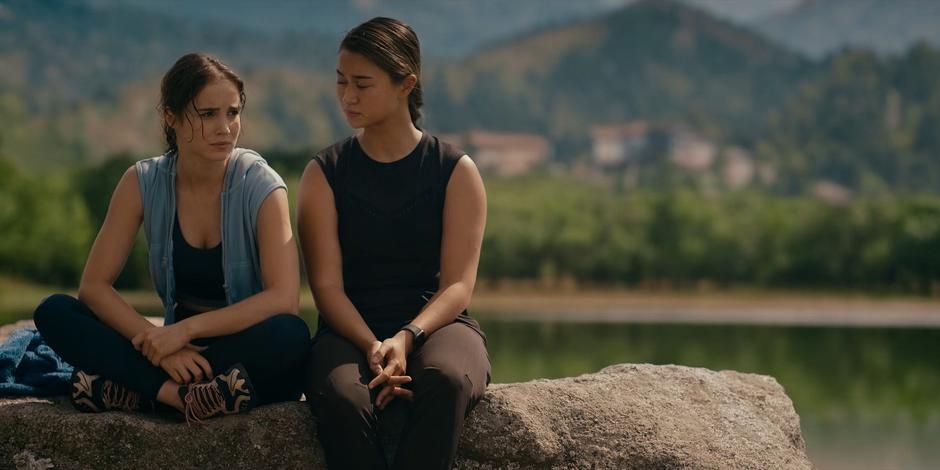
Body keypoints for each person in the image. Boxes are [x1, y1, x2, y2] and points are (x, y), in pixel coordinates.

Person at [32, 53, 310, 423]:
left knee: (290, 335)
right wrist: (160, 348)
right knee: (54, 311)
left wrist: (183, 332)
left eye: (233, 112)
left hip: (237, 344)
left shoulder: (261, 185)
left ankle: (139, 390)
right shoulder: (141, 182)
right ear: (171, 117)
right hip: (175, 354)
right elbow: (95, 288)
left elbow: (284, 299)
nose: (225, 128)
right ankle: (179, 396)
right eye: (207, 114)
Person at [298, 17, 491, 469]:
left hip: (438, 326)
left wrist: (407, 337)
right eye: (342, 82)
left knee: (444, 380)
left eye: (362, 84)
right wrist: (372, 346)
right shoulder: (325, 173)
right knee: (346, 397)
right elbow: (325, 288)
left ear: (406, 83)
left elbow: (459, 286)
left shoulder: (454, 171)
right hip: (347, 330)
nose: (347, 96)